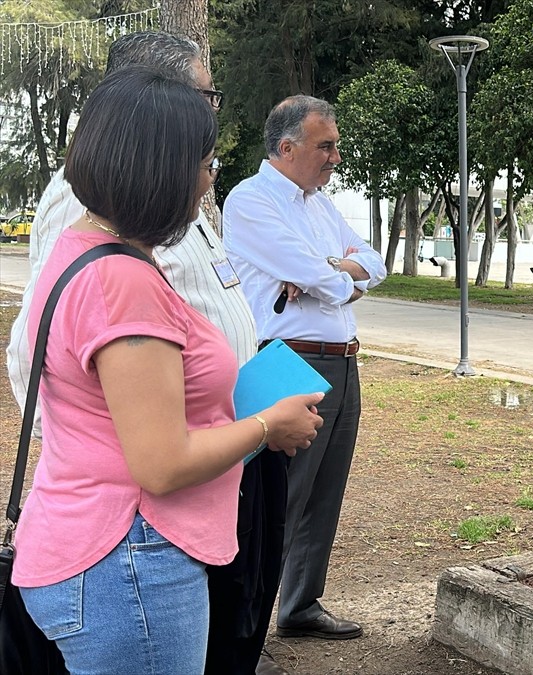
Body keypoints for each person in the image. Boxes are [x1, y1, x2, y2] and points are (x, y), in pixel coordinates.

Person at [11, 67, 324, 675]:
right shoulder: (125, 282)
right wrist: (268, 425)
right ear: (161, 173)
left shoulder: (81, 248)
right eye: (205, 165)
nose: (209, 182)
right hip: (130, 564)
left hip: (98, 549)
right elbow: (161, 464)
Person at [224, 95, 387, 640]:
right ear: (287, 147)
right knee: (277, 501)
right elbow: (327, 278)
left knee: (323, 495)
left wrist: (334, 271)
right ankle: (246, 632)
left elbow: (375, 264)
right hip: (289, 360)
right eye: (326, 145)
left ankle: (299, 606)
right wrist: (339, 276)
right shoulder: (251, 201)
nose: (336, 157)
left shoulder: (319, 204)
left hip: (343, 361)